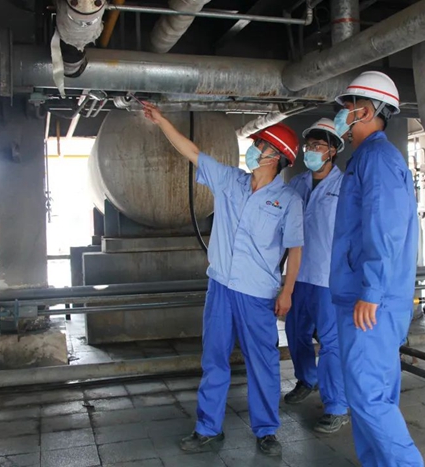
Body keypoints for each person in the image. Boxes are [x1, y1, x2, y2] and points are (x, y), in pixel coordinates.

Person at [142, 102, 304, 457]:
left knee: (262, 363)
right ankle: (208, 429)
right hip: (220, 287)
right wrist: (162, 121)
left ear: (275, 156)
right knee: (214, 358)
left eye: (260, 145)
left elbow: (295, 249)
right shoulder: (231, 180)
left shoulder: (288, 201)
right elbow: (193, 152)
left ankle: (266, 430)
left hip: (256, 294)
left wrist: (288, 290)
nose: (253, 149)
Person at [329, 72, 424, 466]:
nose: (343, 115)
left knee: (368, 397)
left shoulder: (378, 159)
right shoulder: (366, 158)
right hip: (365, 296)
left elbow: (384, 229)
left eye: (348, 108)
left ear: (366, 111)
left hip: (371, 301)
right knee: (370, 395)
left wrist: (371, 290)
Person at [284, 118, 349, 434]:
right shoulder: (296, 184)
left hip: (328, 277)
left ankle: (337, 406)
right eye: (309, 146)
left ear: (333, 151)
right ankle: (306, 379)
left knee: (331, 342)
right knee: (296, 332)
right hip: (298, 275)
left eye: (319, 146)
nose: (311, 151)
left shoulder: (345, 186)